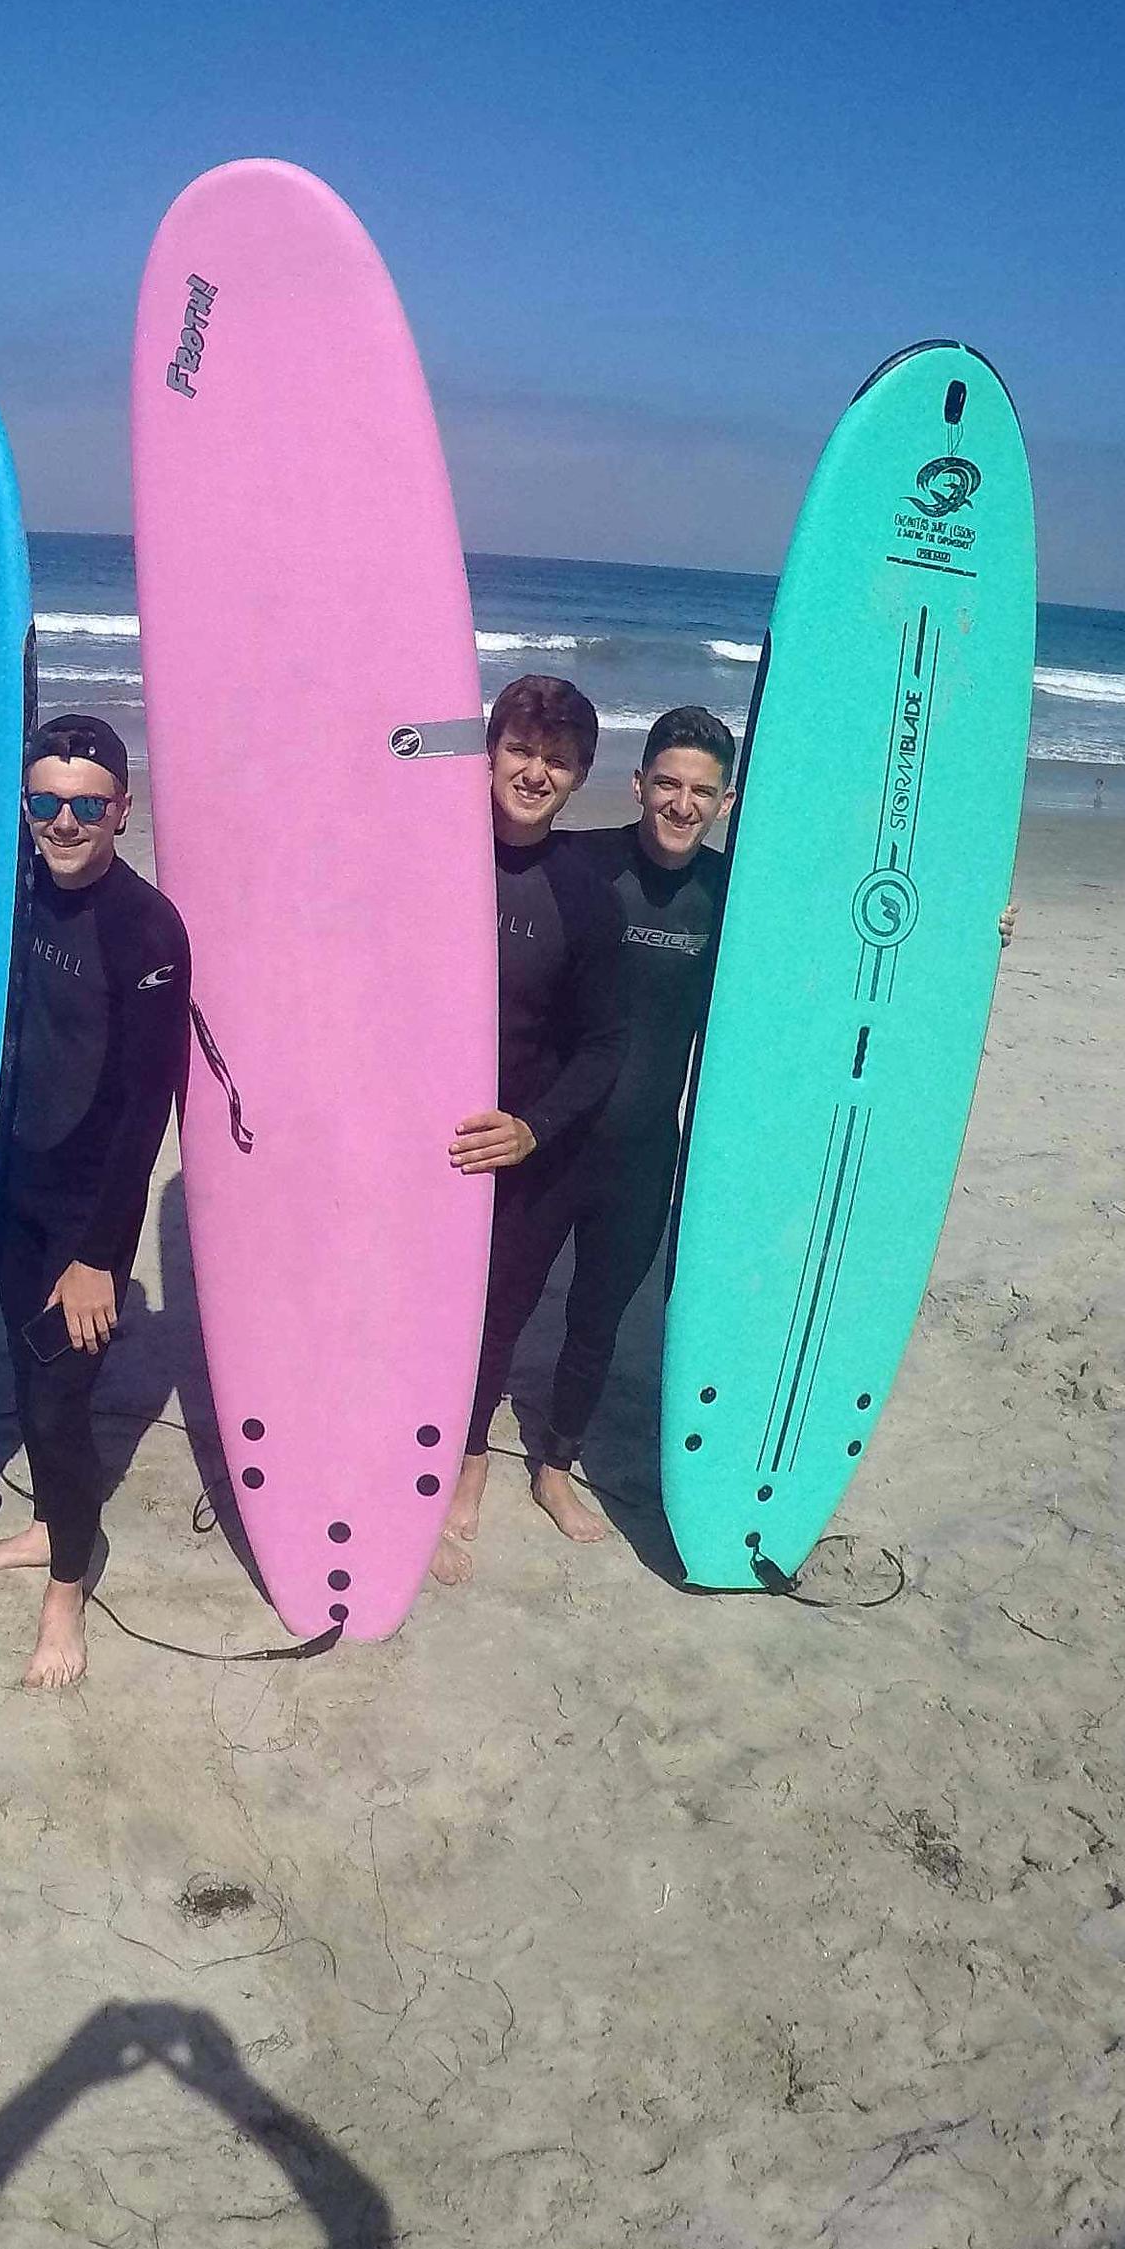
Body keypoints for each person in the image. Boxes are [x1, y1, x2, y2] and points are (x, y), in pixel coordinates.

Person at [0, 713, 191, 1691]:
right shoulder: (15, 901)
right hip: (9, 1192)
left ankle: (66, 1586)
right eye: (45, 801)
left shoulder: (147, 929)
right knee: (23, 1373)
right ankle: (56, 1524)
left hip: (84, 1211)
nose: (63, 820)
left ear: (121, 812)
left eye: (84, 804)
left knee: (57, 1405)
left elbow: (145, 1114)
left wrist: (101, 1255)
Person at [494, 705, 736, 1544]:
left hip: (641, 1155)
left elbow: (842, 933)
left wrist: (972, 932)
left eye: (700, 791)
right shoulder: (580, 862)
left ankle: (555, 1467)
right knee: (503, 1307)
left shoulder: (733, 895)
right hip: (550, 1141)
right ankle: (465, 1462)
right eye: (666, 783)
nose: (681, 804)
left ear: (725, 802)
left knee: (597, 1319)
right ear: (637, 786)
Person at [438, 674, 628, 1585]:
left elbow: (603, 1044)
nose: (535, 773)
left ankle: (468, 1455)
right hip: (423, 1140)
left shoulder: (583, 893)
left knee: (495, 1317)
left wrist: (531, 1130)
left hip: (522, 1148)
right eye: (520, 750)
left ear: (581, 775)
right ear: (488, 750)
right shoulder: (428, 854)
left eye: (557, 761)